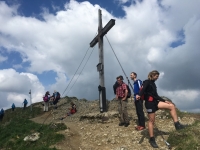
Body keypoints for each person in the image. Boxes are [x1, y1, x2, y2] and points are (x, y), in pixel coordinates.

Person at [136, 70, 186, 148]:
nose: (157, 78)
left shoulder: (153, 83)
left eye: (158, 76)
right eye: (156, 76)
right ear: (152, 75)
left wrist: (164, 100)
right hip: (149, 104)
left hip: (155, 102)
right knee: (152, 121)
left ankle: (177, 125)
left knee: (171, 106)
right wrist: (139, 95)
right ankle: (152, 139)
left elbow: (156, 95)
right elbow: (143, 89)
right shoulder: (147, 82)